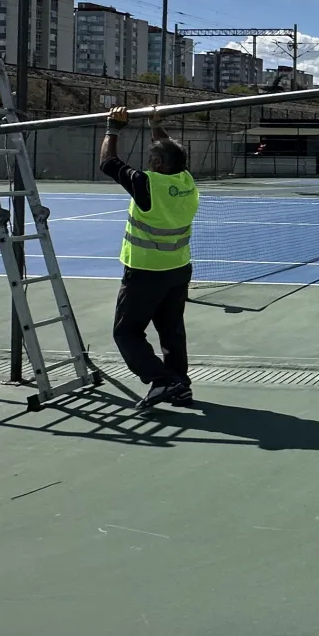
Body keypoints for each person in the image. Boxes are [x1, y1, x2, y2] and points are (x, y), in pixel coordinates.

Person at [100, 106, 200, 410]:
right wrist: (156, 125)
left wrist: (112, 128)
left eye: (152, 158)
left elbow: (108, 163)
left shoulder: (147, 185)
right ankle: (179, 385)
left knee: (126, 332)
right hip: (178, 269)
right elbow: (171, 154)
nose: (148, 162)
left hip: (146, 272)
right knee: (171, 331)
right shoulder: (186, 182)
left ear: (156, 163)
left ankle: (161, 380)